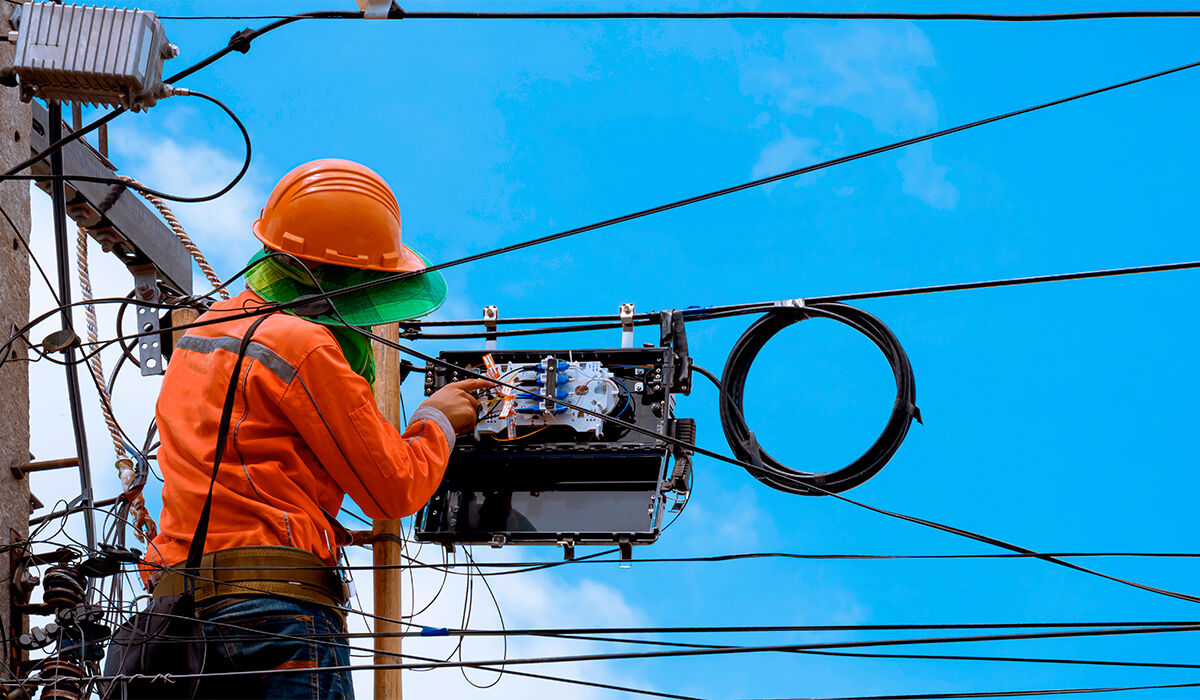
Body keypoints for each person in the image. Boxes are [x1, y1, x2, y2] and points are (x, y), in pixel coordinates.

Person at [140, 159, 489, 698]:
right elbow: (391, 488)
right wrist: (436, 419)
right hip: (274, 615)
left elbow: (246, 459)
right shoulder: (304, 346)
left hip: (176, 622)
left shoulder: (199, 337)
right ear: (343, 279)